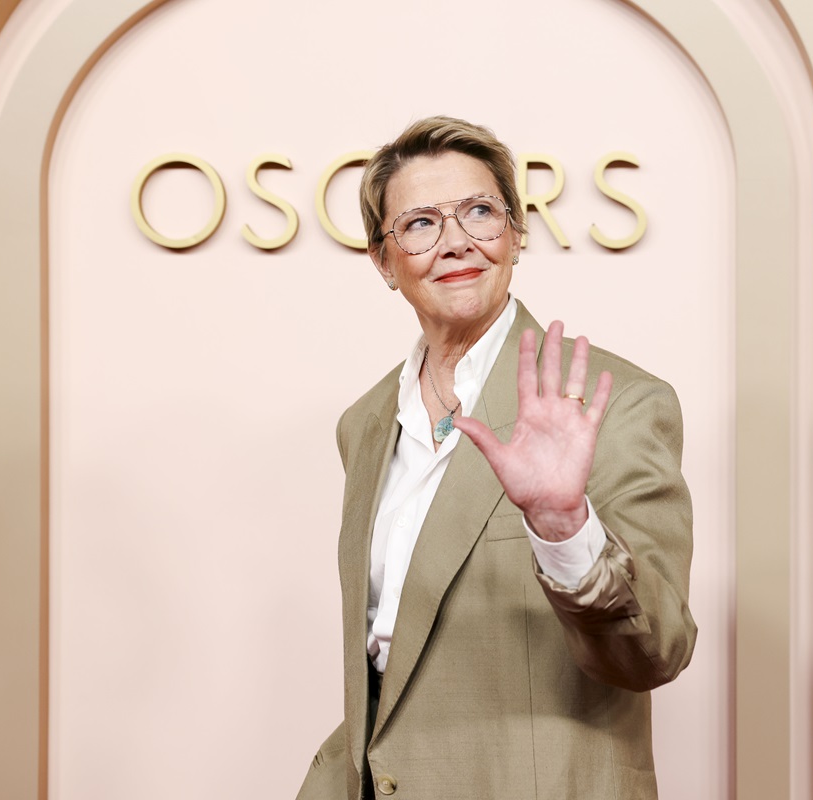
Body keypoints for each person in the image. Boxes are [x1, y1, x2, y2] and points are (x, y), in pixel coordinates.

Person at [296, 116, 696, 800]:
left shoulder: (616, 400)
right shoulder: (363, 425)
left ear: (515, 235)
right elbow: (385, 657)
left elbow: (656, 648)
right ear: (384, 261)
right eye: (420, 223)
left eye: (480, 212)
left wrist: (563, 524)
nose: (456, 241)